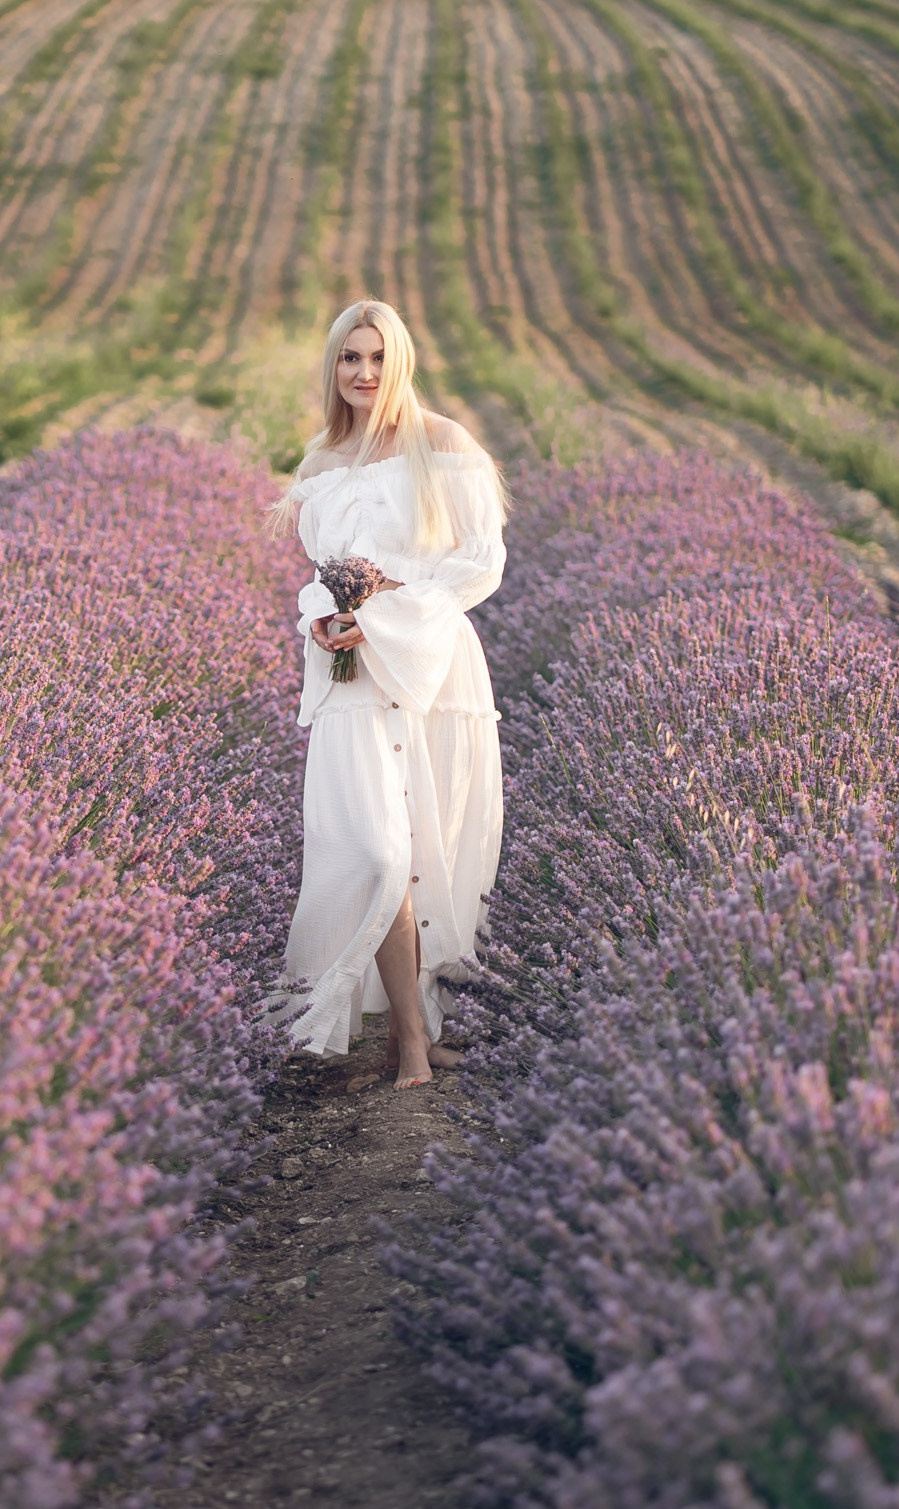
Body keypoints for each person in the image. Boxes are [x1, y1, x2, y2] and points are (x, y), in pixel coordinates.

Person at [274, 299, 508, 1088]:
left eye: (378, 357)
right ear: (332, 367)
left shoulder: (443, 444)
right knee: (376, 851)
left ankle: (418, 1030)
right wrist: (324, 620)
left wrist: (389, 614)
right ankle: (408, 1042)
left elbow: (479, 562)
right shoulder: (318, 462)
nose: (364, 373)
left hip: (429, 662)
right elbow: (318, 576)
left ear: (400, 360)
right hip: (350, 675)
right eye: (350, 358)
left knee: (429, 851)